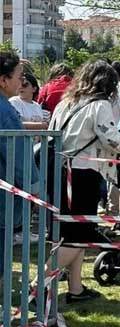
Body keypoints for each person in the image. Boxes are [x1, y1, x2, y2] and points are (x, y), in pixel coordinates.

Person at [48, 60, 120, 303]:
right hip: (82, 175)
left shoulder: (65, 102)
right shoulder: (100, 105)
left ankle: (76, 289)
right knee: (78, 234)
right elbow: (115, 142)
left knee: (71, 234)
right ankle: (38, 285)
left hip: (60, 172)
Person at [0, 50, 39, 274]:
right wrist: (34, 187)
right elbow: (19, 156)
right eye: (18, 76)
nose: (21, 82)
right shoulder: (6, 111)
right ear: (3, 80)